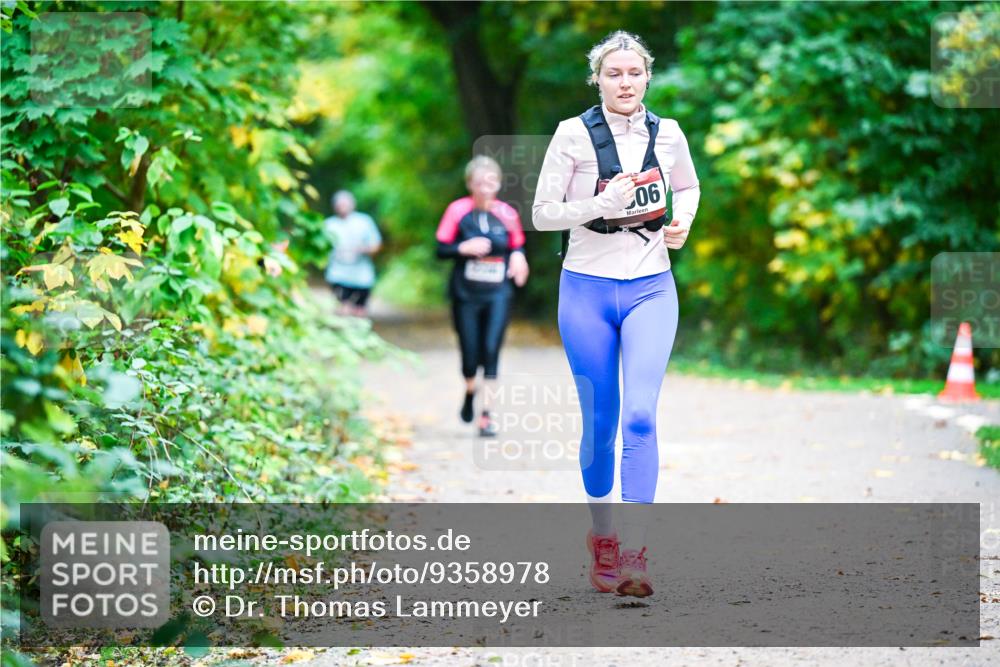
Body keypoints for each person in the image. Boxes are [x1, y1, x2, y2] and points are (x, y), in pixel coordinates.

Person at [531, 31, 700, 598]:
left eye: (634, 73)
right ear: (597, 80)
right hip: (586, 291)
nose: (624, 82)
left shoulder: (669, 133)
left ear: (647, 76)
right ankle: (602, 536)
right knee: (601, 426)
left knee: (641, 418)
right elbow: (542, 214)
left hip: (652, 287)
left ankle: (634, 555)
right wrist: (598, 207)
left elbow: (689, 185)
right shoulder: (572, 134)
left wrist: (683, 223)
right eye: (613, 74)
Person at [436, 156, 530, 436]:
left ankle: (486, 416)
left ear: (499, 183)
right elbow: (440, 249)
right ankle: (469, 392)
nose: (485, 188)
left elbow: (517, 246)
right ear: (470, 184)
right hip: (465, 294)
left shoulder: (507, 213)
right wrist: (462, 248)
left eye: (491, 182)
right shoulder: (457, 211)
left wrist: (518, 258)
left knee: (491, 350)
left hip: (498, 293)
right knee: (469, 354)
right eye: (479, 182)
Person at [323, 190, 382, 317]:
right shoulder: (329, 224)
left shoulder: (364, 221)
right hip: (338, 273)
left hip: (362, 275)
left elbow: (376, 245)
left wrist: (364, 249)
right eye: (340, 204)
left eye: (345, 204)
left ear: (352, 204)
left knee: (360, 310)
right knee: (343, 307)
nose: (342, 207)